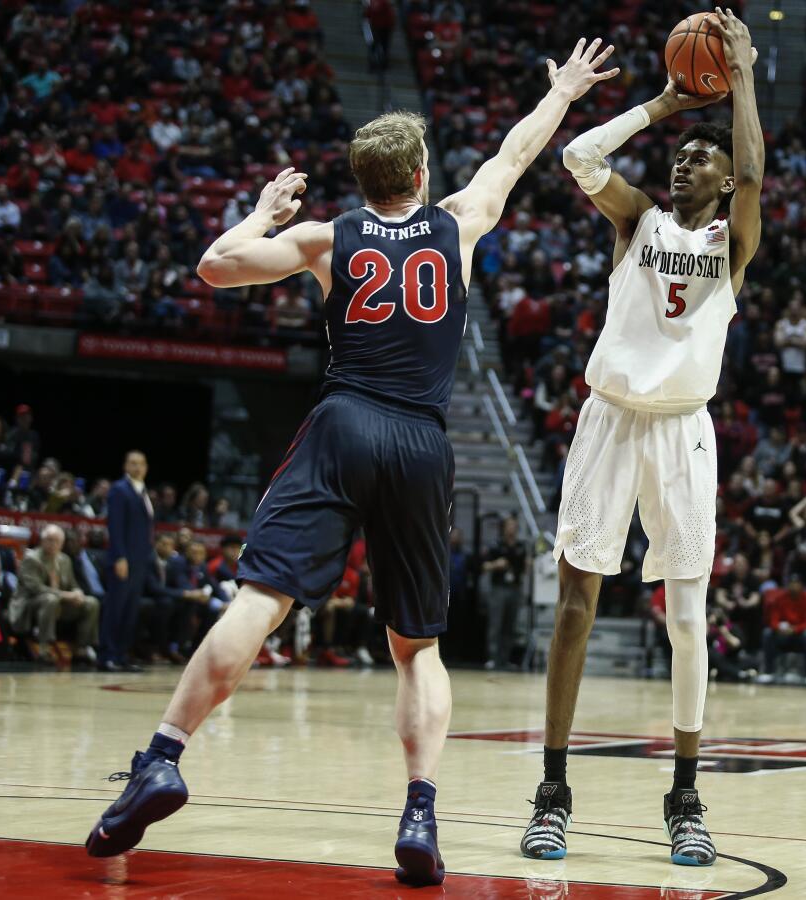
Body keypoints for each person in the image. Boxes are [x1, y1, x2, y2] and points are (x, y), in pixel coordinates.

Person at [85, 40, 620, 890]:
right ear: (417, 172)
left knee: (260, 600)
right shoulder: (459, 222)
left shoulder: (328, 238)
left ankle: (163, 756)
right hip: (419, 437)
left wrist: (263, 211)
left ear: (366, 179)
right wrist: (559, 91)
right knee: (417, 648)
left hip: (343, 422)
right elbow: (517, 152)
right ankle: (418, 811)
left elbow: (214, 267)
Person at [523, 9, 762, 868]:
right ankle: (553, 790)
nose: (684, 160)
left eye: (702, 155)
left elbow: (756, 173)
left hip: (683, 435)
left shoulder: (732, 245)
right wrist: (662, 106)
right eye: (679, 154)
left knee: (688, 620)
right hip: (611, 421)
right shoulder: (639, 224)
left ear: (726, 182)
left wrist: (742, 79)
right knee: (577, 607)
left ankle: (686, 797)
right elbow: (578, 159)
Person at [9, 524, 99, 667]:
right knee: (50, 599)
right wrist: (67, 595)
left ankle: (82, 648)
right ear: (42, 541)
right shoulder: (31, 559)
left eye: (57, 541)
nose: (53, 544)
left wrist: (77, 592)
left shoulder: (64, 560)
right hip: (29, 605)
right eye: (49, 540)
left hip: (59, 604)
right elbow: (37, 589)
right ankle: (44, 649)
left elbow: (73, 585)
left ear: (61, 544)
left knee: (90, 603)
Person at [101, 451, 155, 673]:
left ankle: (122, 655)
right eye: (133, 463)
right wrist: (120, 557)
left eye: (141, 463)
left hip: (140, 561)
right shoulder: (119, 490)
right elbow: (115, 526)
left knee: (130, 610)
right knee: (116, 608)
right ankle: (107, 655)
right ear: (125, 466)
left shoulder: (142, 491)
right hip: (123, 560)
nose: (137, 467)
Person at [481, 516, 528, 670]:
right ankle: (492, 658)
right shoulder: (495, 545)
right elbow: (484, 566)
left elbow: (525, 569)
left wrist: (528, 565)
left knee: (510, 625)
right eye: (509, 525)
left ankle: (505, 659)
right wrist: (496, 564)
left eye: (514, 526)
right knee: (496, 624)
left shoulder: (521, 546)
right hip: (498, 589)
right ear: (504, 528)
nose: (511, 529)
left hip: (515, 588)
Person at [758, 571, 806, 685]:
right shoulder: (779, 598)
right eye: (791, 583)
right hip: (783, 634)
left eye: (796, 583)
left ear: (802, 585)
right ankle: (768, 672)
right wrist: (779, 628)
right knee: (767, 633)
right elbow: (773, 620)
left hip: (800, 634)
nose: (794, 586)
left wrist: (795, 629)